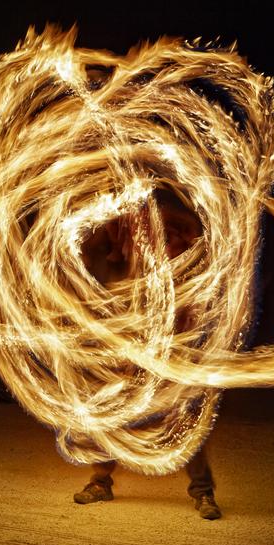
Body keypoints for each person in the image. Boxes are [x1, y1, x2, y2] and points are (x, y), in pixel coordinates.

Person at [74, 188, 222, 520]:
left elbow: (202, 269)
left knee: (184, 411)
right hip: (132, 333)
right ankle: (100, 482)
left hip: (174, 336)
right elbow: (99, 255)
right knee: (112, 407)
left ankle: (203, 492)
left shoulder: (182, 226)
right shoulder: (123, 224)